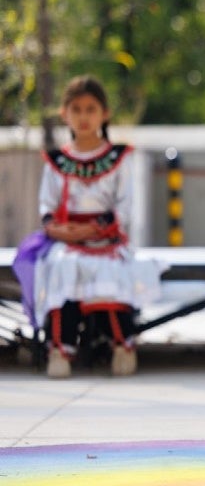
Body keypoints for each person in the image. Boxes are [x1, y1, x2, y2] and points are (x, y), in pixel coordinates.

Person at [12, 76, 166, 378]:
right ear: (64, 114)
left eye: (90, 109)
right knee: (61, 268)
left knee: (108, 273)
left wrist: (93, 230)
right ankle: (60, 348)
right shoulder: (57, 161)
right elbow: (47, 206)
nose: (84, 117)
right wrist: (58, 230)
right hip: (65, 239)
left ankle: (121, 344)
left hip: (106, 241)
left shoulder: (118, 158)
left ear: (104, 114)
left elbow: (123, 207)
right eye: (77, 109)